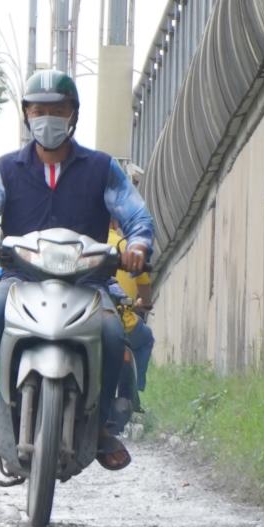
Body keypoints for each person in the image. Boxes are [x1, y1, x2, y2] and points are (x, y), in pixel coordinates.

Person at [0, 69, 154, 473]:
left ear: (73, 115)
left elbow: (136, 216)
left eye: (58, 110)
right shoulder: (6, 169)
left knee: (115, 334)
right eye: (39, 110)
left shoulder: (101, 168)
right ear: (27, 115)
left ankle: (101, 427)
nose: (48, 118)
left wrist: (137, 245)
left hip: (90, 281)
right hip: (20, 278)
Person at [107, 164, 155, 396]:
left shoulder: (79, 242)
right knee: (145, 340)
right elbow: (144, 285)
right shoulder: (126, 247)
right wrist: (144, 304)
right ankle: (137, 391)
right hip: (123, 319)